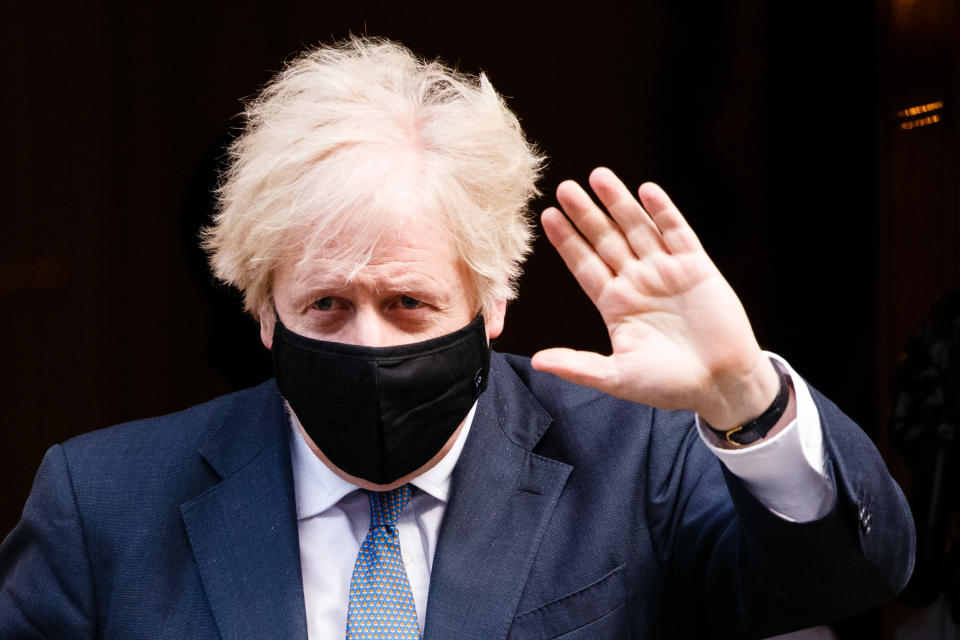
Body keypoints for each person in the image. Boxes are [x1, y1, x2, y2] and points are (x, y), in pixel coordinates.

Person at [0, 37, 914, 639]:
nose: (366, 343)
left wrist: (745, 398)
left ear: (493, 301)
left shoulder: (637, 460)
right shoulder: (101, 507)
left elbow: (843, 581)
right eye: (326, 306)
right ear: (263, 311)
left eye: (408, 303)